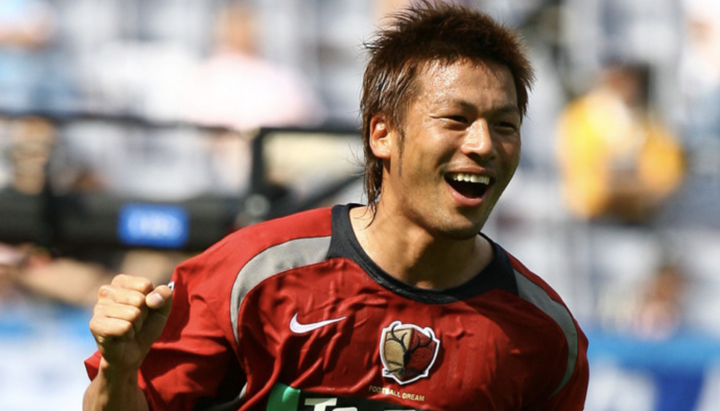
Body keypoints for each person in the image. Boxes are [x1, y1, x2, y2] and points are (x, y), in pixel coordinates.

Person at [82, 2, 589, 410]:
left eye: (505, 126)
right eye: (456, 119)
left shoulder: (544, 336)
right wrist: (119, 372)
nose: (484, 144)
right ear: (382, 133)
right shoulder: (253, 274)